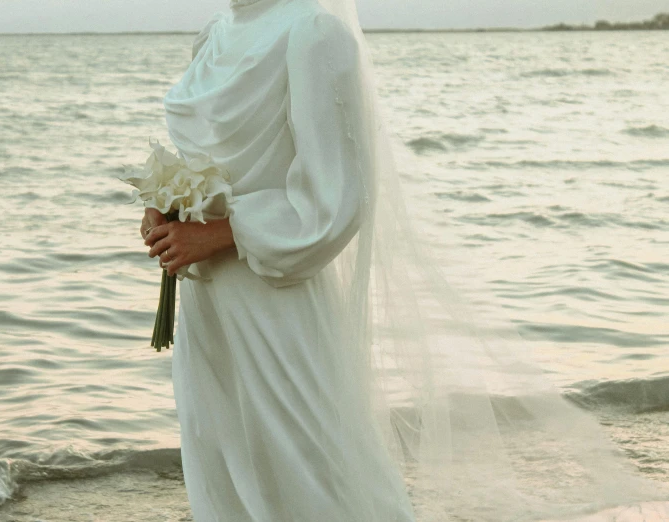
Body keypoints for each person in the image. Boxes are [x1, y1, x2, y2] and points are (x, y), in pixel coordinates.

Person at [141, 0, 669, 520]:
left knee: (305, 472)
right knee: (223, 458)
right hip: (205, 298)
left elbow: (337, 197)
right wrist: (164, 208)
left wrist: (224, 231)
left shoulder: (314, 34)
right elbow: (204, 161)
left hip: (274, 302)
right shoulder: (214, 34)